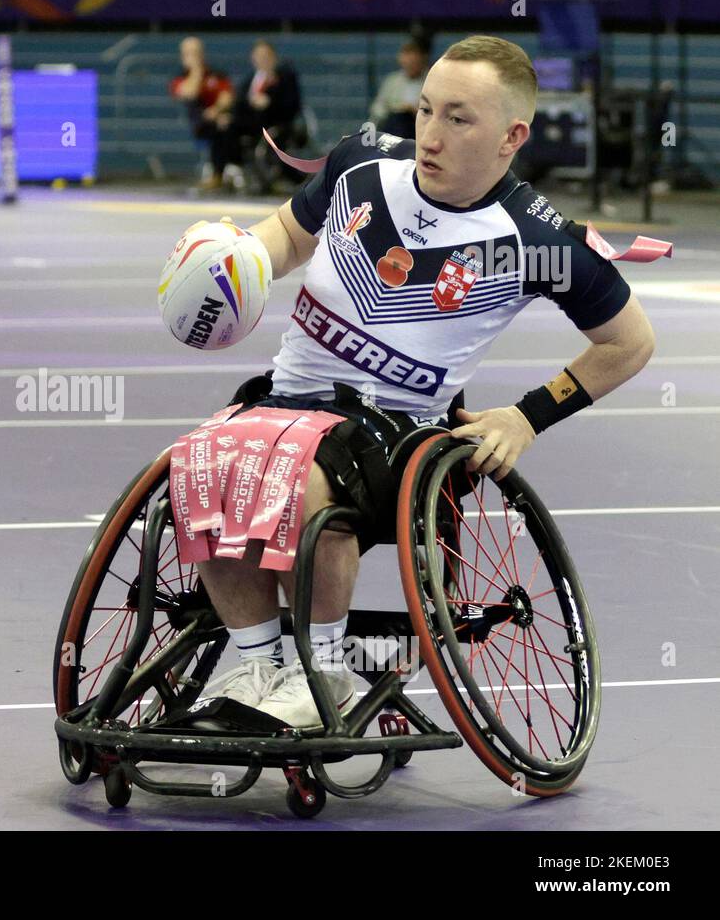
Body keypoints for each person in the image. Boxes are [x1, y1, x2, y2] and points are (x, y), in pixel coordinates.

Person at [179, 36, 656, 729]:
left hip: (393, 432)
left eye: (458, 119)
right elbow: (286, 234)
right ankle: (263, 665)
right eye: (426, 110)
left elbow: (630, 341)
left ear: (511, 137)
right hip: (283, 397)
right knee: (205, 464)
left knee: (302, 481)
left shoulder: (537, 239)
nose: (430, 135)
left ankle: (326, 674)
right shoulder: (361, 164)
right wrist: (239, 259)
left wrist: (524, 418)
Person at [169, 36, 242, 192]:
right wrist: (196, 69)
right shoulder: (179, 78)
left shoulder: (216, 74)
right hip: (200, 124)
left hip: (223, 118)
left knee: (227, 125)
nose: (192, 57)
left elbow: (227, 97)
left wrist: (216, 111)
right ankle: (219, 175)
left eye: (195, 53)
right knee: (219, 129)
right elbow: (190, 92)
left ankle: (228, 170)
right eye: (188, 54)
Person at [233, 39, 303, 192]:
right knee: (224, 129)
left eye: (266, 56)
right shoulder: (249, 80)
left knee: (276, 142)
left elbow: (293, 105)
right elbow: (238, 103)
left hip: (278, 124)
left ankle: (293, 178)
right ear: (253, 58)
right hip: (251, 125)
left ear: (274, 57)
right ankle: (226, 172)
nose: (263, 59)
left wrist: (269, 102)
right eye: (259, 56)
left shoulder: (285, 77)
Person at [369, 36, 430, 138]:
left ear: (422, 60)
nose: (411, 64)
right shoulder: (392, 81)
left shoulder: (430, 81)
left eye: (414, 61)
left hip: (418, 126)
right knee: (398, 119)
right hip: (394, 124)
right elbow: (378, 109)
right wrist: (396, 108)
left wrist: (414, 111)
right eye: (408, 60)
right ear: (401, 60)